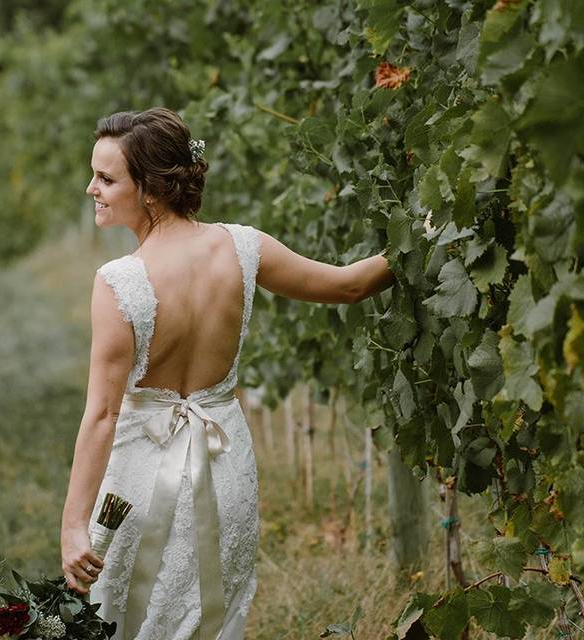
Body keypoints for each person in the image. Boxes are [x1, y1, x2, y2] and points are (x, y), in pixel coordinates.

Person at [60, 107, 394, 640]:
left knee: (128, 615)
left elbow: (101, 413)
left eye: (105, 178)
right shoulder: (243, 247)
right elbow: (349, 285)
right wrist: (426, 234)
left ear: (149, 189)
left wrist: (74, 524)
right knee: (211, 616)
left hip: (139, 478)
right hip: (225, 465)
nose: (90, 189)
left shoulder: (118, 281)